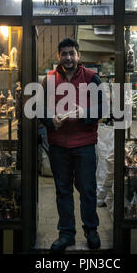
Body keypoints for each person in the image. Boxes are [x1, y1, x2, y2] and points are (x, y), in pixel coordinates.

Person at [40, 38, 104, 253]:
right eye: (64, 53)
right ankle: (66, 233)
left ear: (79, 55)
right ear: (59, 56)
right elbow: (39, 110)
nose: (68, 57)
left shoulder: (91, 78)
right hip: (58, 145)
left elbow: (103, 109)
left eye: (72, 53)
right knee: (63, 190)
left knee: (88, 189)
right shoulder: (48, 79)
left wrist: (84, 113)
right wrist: (51, 121)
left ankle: (91, 230)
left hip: (84, 144)